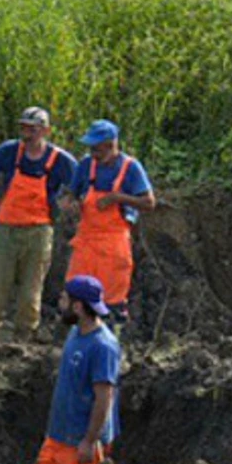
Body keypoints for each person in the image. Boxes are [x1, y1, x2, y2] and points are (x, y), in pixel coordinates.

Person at [0, 107, 76, 352]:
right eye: (24, 128)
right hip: (6, 230)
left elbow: (81, 186)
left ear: (46, 131)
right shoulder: (10, 152)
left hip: (39, 232)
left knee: (31, 293)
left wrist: (63, 205)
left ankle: (23, 342)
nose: (27, 134)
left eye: (33, 129)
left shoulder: (59, 160)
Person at [25, 276, 121, 464]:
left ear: (77, 307)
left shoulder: (102, 346)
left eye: (64, 299)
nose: (60, 303)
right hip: (57, 436)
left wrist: (89, 441)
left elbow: (104, 397)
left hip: (78, 444)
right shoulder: (76, 333)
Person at [60, 120, 155, 324]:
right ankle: (69, 344)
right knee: (73, 294)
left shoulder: (131, 168)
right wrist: (71, 204)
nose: (93, 153)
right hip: (85, 242)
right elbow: (70, 194)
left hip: (114, 246)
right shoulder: (86, 165)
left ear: (111, 145)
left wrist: (117, 198)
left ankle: (110, 344)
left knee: (112, 301)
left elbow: (149, 202)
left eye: (97, 148)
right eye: (91, 148)